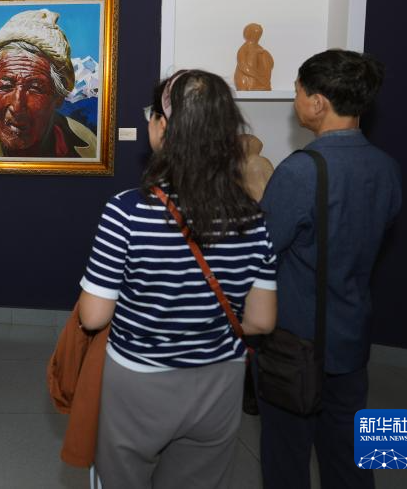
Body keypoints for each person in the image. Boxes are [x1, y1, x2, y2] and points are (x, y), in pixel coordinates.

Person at [77, 69, 277, 489]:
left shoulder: (127, 211)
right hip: (220, 380)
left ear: (163, 127)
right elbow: (261, 321)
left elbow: (94, 316)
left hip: (139, 377)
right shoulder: (252, 217)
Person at [257, 49, 401, 489]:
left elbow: (261, 249)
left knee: (286, 457)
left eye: (298, 92)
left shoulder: (299, 171)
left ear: (318, 102)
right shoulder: (387, 167)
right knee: (356, 455)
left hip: (297, 343)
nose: (296, 102)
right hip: (353, 335)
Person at [0, 9, 97, 157]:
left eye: (35, 88)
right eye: (6, 86)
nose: (17, 106)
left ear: (58, 97)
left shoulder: (88, 147)